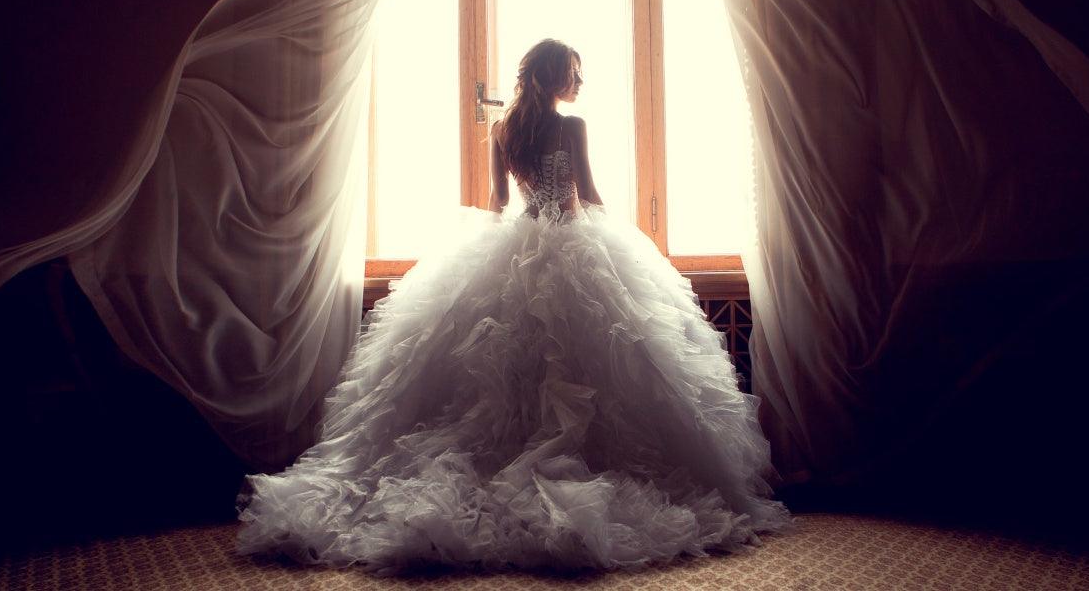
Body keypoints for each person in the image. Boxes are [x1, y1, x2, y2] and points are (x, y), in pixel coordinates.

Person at [236, 38, 791, 574]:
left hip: (519, 240)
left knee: (509, 373)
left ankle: (505, 462)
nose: (579, 81)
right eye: (573, 72)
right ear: (552, 77)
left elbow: (499, 204)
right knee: (586, 367)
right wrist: (632, 243)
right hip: (570, 241)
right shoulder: (572, 125)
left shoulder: (503, 129)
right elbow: (589, 196)